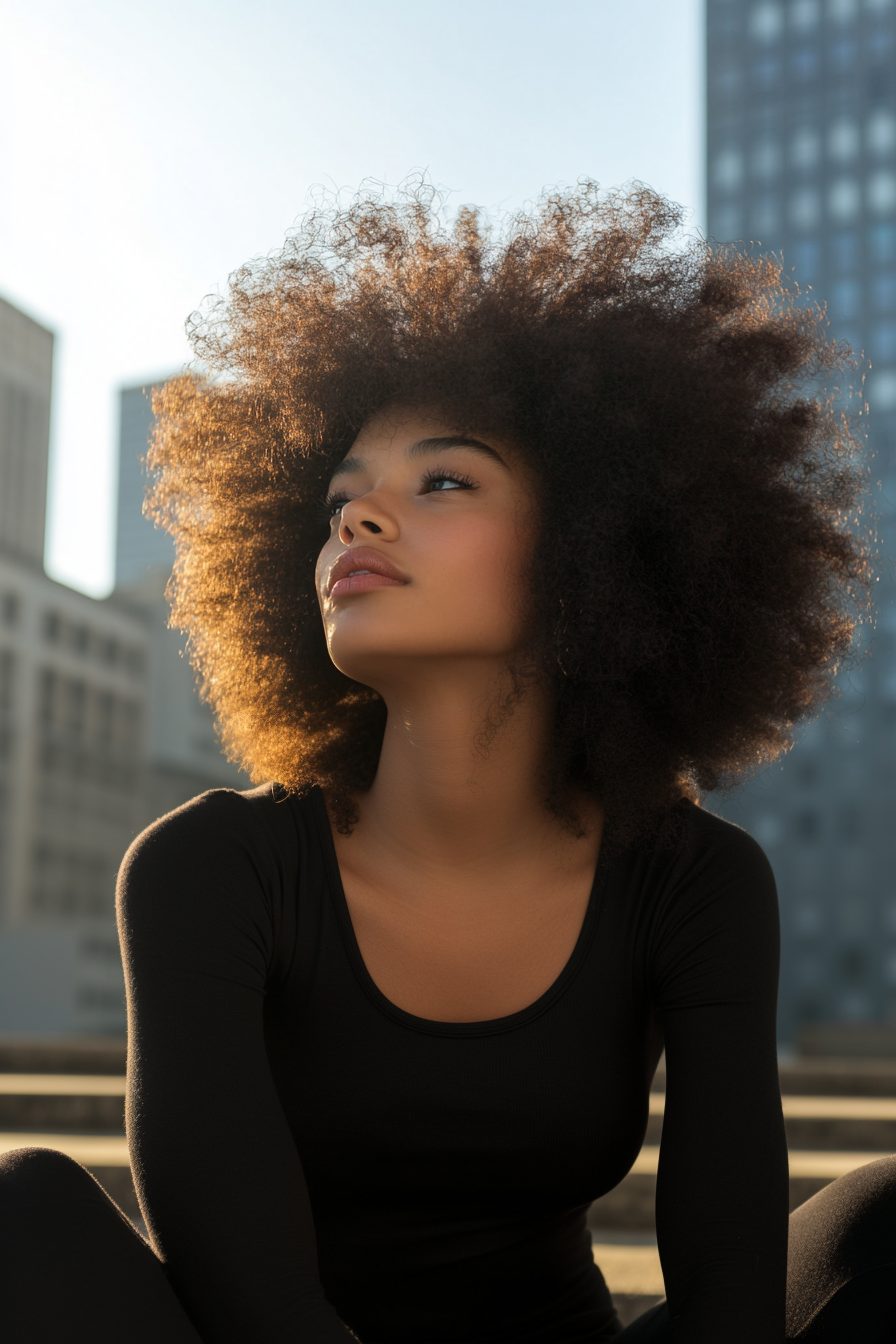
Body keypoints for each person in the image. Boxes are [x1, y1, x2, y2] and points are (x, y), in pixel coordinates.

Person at [1, 180, 894, 1343]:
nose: (356, 523)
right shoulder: (207, 869)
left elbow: (728, 1303)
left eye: (441, 480)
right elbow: (249, 1301)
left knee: (883, 1216)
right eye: (338, 502)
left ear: (593, 551)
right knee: (25, 1214)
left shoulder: (692, 881)